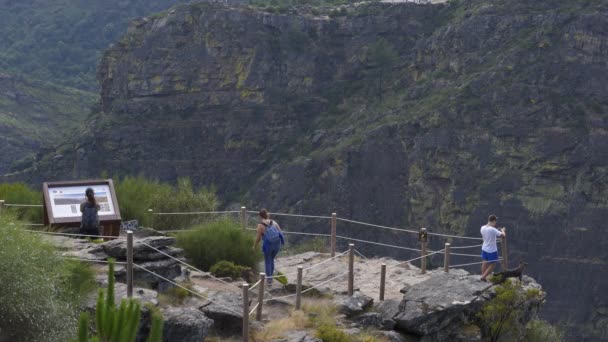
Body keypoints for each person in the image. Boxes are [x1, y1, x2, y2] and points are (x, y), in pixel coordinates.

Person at [253, 209, 285, 287]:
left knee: (268, 261)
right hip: (277, 244)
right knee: (271, 260)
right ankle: (271, 277)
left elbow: (258, 238)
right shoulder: (274, 222)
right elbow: (280, 232)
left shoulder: (260, 225)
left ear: (260, 216)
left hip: (268, 245)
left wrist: (254, 246)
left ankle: (269, 280)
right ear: (267, 214)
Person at [480, 214, 506, 282]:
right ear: (493, 221)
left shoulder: (482, 227)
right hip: (492, 250)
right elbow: (503, 236)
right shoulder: (493, 229)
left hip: (484, 248)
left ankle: (483, 276)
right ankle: (483, 277)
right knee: (493, 264)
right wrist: (503, 230)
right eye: (495, 221)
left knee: (484, 262)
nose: (496, 223)